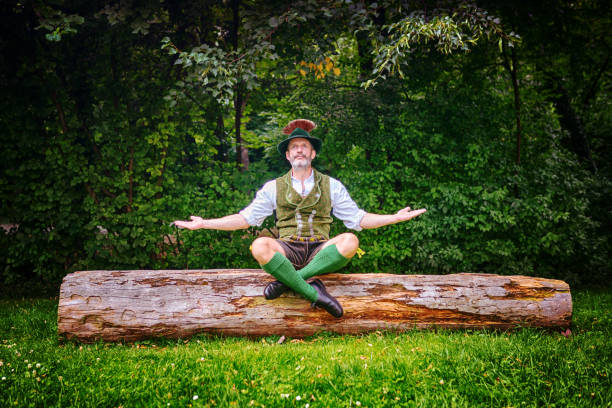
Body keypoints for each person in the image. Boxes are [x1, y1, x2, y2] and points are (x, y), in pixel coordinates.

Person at [173, 119, 426, 318]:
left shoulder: (332, 185)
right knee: (259, 245)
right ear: (287, 156)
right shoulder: (274, 186)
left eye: (304, 146)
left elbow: (358, 219)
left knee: (350, 240)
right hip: (288, 248)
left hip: (319, 248)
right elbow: (245, 218)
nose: (299, 150)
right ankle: (314, 293)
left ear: (313, 153)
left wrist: (393, 218)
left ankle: (289, 283)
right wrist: (205, 223)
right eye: (294, 147)